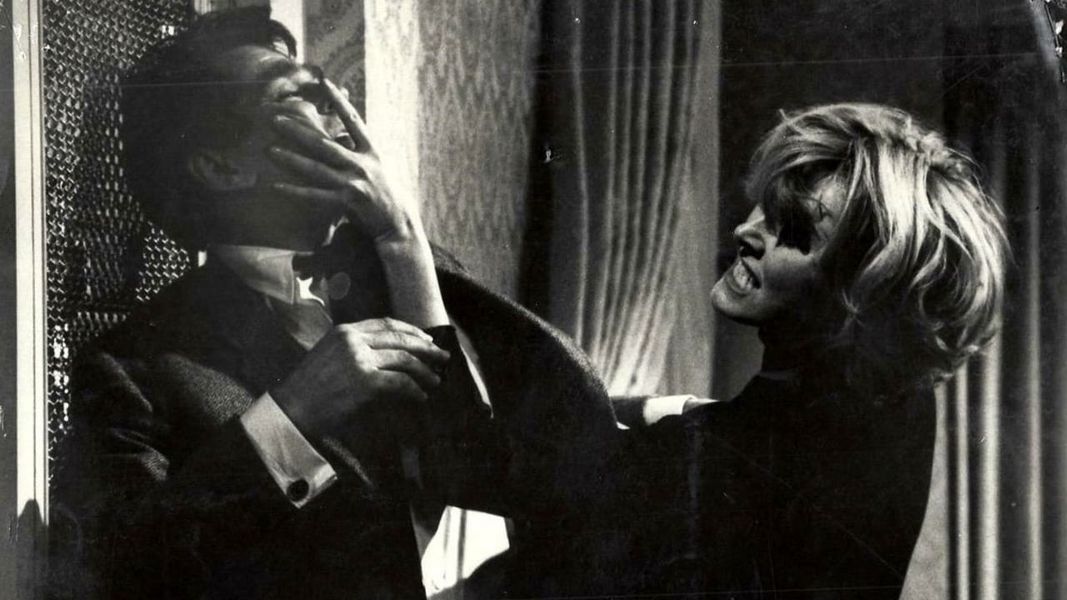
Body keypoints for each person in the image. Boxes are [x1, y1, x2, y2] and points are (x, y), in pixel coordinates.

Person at [50, 8, 616, 600]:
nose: (343, 109)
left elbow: (501, 475)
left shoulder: (407, 272)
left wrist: (401, 235)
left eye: (330, 90)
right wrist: (291, 414)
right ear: (221, 166)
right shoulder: (132, 369)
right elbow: (133, 571)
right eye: (302, 96)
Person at [567, 103, 1008, 598]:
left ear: (859, 292)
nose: (746, 233)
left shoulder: (727, 461)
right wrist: (676, 409)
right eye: (768, 206)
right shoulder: (896, 403)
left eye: (793, 232)